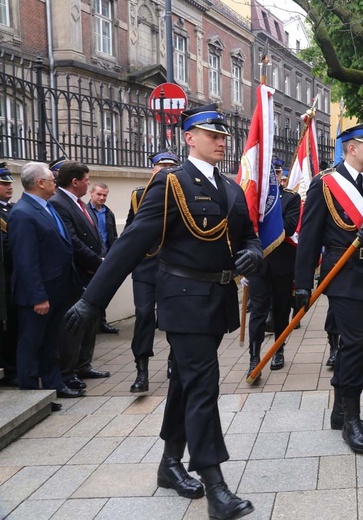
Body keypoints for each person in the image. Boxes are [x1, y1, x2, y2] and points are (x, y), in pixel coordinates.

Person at [64, 103, 262, 520]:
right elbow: (132, 241)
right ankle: (216, 486)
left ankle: (170, 464)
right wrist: (91, 300)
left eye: (224, 135)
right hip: (182, 299)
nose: (221, 140)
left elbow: (249, 238)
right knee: (204, 386)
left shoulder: (230, 189)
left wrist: (251, 255)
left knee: (184, 382)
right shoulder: (171, 183)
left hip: (216, 301)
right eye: (212, 134)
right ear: (189, 138)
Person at [294, 121, 363, 454]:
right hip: (341, 274)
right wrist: (302, 284)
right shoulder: (325, 183)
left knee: (355, 345)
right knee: (356, 346)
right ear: (351, 147)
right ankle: (352, 418)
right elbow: (308, 236)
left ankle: (340, 411)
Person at [8, 162, 84, 404]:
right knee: (31, 343)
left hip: (57, 290)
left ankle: (54, 385)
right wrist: (38, 296)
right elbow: (25, 260)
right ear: (40, 183)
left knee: (51, 341)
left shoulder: (45, 207)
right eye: (52, 179)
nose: (55, 183)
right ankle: (31, 397)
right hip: (38, 295)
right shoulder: (23, 213)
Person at [50, 161, 110, 389]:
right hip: (77, 272)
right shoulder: (59, 203)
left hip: (92, 271)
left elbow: (96, 237)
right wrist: (96, 262)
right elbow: (72, 241)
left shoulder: (78, 203)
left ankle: (84, 364)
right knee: (73, 324)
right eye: (86, 180)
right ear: (74, 182)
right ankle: (69, 370)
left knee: (90, 321)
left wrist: (102, 259)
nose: (88, 183)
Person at [125, 150, 180, 392]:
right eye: (161, 166)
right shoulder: (138, 196)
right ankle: (142, 370)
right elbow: (130, 232)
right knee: (144, 314)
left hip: (173, 267)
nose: (166, 169)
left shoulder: (183, 194)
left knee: (172, 317)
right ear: (153, 169)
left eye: (171, 165)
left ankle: (173, 360)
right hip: (146, 267)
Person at [247, 162, 300, 378]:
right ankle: (254, 356)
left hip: (282, 264)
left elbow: (288, 227)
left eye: (276, 173)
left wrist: (267, 212)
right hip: (258, 264)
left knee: (280, 310)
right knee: (258, 312)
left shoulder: (290, 198)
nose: (273, 177)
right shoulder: (251, 200)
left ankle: (278, 349)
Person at [88, 182, 119, 334]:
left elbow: (112, 235)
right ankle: (90, 323)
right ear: (91, 194)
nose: (102, 198)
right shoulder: (86, 211)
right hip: (92, 256)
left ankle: (102, 321)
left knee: (103, 290)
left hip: (107, 256)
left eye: (104, 195)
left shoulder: (108, 213)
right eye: (99, 194)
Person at [0, 163, 18, 385]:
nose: (8, 187)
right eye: (4, 183)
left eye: (9, 183)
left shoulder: (12, 209)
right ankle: (10, 367)